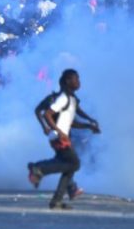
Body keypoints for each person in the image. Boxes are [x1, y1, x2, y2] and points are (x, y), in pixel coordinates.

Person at [27, 69, 100, 210]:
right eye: (76, 79)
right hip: (58, 137)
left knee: (70, 165)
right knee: (74, 163)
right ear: (67, 81)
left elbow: (71, 122)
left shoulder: (71, 99)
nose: (79, 82)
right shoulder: (63, 98)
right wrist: (57, 131)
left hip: (62, 136)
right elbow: (47, 114)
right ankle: (39, 168)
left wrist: (89, 125)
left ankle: (58, 200)